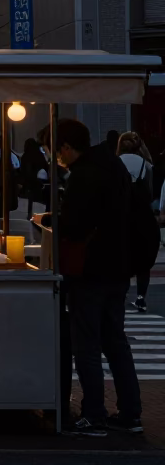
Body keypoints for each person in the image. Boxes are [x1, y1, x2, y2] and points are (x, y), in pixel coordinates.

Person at [50, 118, 142, 436]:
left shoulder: (83, 175)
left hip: (90, 270)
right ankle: (130, 412)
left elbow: (75, 225)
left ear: (65, 147)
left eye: (57, 150)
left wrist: (56, 219)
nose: (57, 157)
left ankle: (94, 413)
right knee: (115, 340)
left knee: (86, 344)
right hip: (119, 267)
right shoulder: (114, 167)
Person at [117, 131, 159, 313]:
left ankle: (121, 293)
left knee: (123, 256)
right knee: (144, 259)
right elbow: (151, 193)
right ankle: (141, 297)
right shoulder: (147, 165)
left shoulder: (116, 163)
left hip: (123, 215)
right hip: (143, 217)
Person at [20, 137, 50, 218]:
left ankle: (30, 216)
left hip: (30, 184)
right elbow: (46, 167)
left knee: (30, 202)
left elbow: (24, 171)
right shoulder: (39, 155)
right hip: (40, 183)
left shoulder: (25, 157)